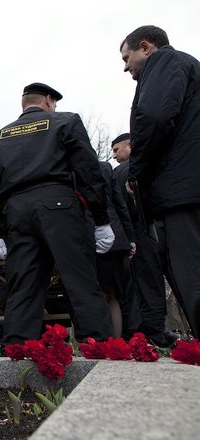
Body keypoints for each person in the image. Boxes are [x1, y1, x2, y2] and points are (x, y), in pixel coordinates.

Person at [0, 82, 114, 347]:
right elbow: (88, 172)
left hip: (18, 211)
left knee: (24, 284)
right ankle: (97, 344)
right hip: (58, 205)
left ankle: (17, 348)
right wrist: (101, 218)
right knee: (79, 277)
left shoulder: (0, 136)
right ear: (49, 100)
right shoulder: (66, 121)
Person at [120, 25, 200, 338]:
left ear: (146, 47)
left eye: (127, 57)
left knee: (192, 272)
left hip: (184, 191)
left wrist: (136, 173)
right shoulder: (188, 67)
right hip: (189, 185)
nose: (125, 67)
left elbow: (153, 117)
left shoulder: (165, 61)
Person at [112, 133, 178, 345]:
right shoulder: (157, 164)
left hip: (139, 231)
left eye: (117, 150)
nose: (114, 155)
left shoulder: (121, 172)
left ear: (130, 146)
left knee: (147, 284)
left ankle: (154, 331)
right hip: (165, 227)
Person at [96, 160, 136, 338]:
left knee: (98, 293)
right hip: (115, 235)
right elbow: (120, 204)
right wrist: (130, 238)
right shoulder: (105, 167)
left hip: (88, 235)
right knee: (113, 294)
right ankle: (115, 343)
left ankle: (101, 343)